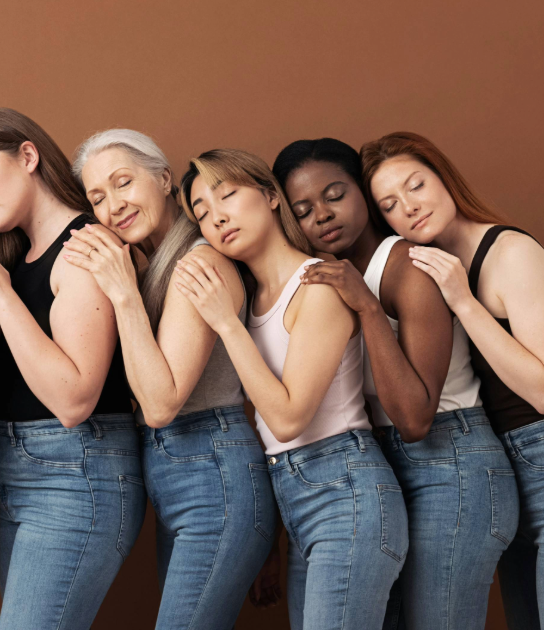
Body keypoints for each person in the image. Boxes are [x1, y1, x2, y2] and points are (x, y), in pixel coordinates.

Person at [363, 131, 544, 630]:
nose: (409, 206)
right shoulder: (424, 270)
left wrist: (464, 301)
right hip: (505, 477)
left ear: (444, 177)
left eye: (416, 185)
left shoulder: (509, 251)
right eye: (390, 203)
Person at [273, 137, 517, 630]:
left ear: (363, 192)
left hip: (453, 463)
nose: (321, 215)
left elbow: (414, 418)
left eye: (335, 194)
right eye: (303, 209)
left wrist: (366, 306)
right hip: (385, 468)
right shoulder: (324, 277)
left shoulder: (409, 265)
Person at [173, 148, 407, 630]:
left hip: (347, 492)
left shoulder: (317, 286)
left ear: (269, 195)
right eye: (202, 213)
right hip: (296, 495)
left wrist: (224, 323)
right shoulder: (251, 298)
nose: (216, 217)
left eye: (227, 195)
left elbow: (287, 417)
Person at [59, 129, 276, 629]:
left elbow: (160, 405)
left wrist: (123, 294)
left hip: (212, 472)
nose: (113, 205)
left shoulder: (199, 261)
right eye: (98, 197)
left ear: (163, 179)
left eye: (123, 183)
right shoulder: (152, 264)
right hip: (179, 475)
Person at [0, 108, 143, 630]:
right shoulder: (16, 254)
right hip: (16, 476)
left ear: (27, 156)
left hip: (75, 477)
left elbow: (75, 398)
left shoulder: (84, 248)